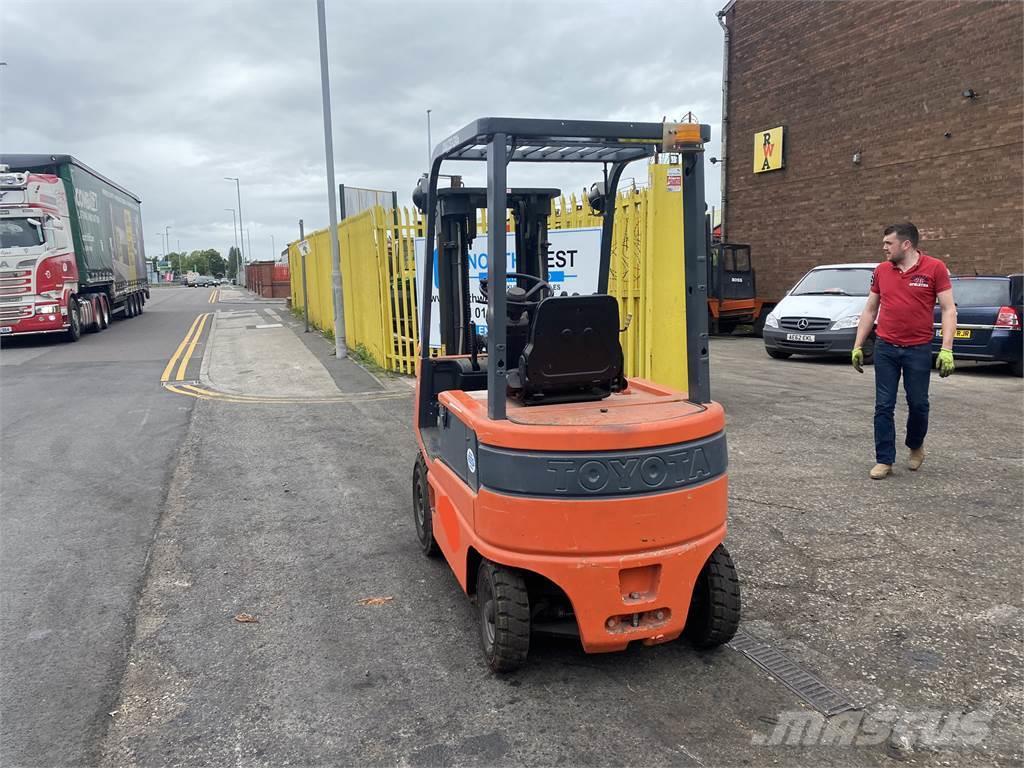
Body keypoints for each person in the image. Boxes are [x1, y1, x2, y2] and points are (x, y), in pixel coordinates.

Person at [852, 223, 956, 479]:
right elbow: (870, 309)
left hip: (918, 348)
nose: (884, 247)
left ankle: (916, 446)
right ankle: (884, 459)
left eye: (889, 243)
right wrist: (857, 345)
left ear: (906, 244)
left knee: (918, 404)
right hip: (886, 347)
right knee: (883, 405)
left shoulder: (935, 268)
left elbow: (948, 309)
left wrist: (947, 349)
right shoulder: (881, 271)